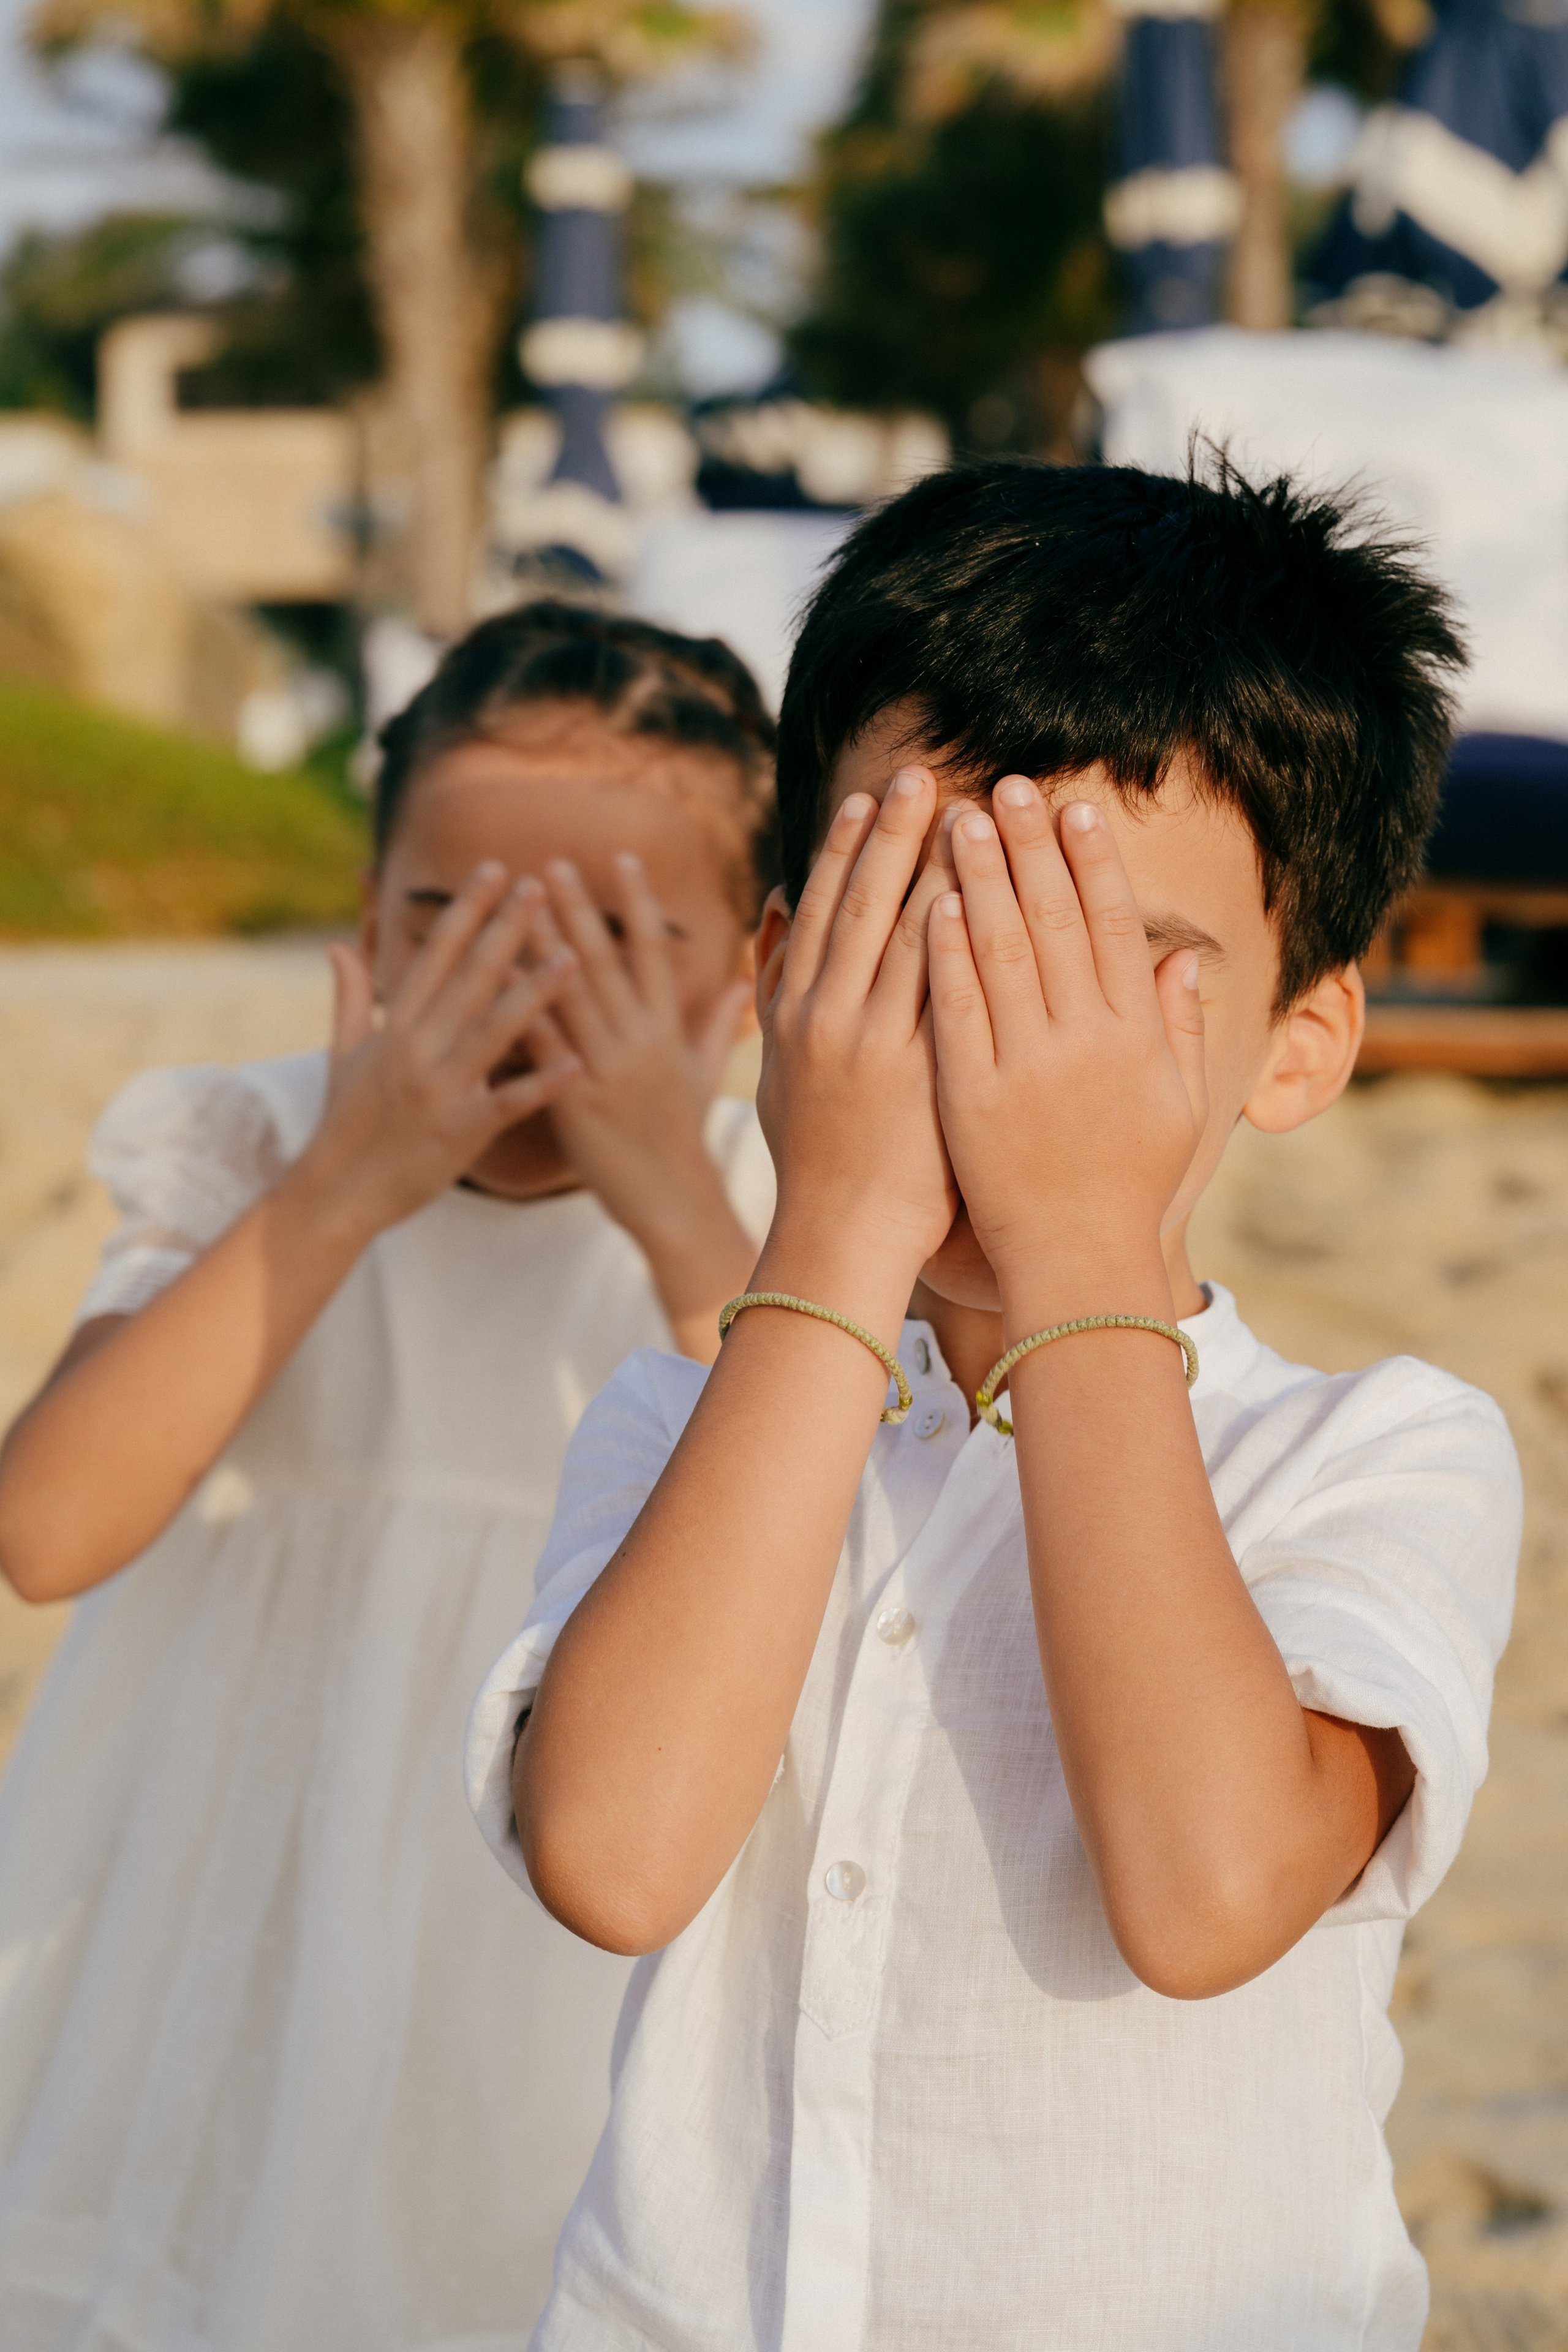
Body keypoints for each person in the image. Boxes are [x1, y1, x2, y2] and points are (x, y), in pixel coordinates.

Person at [467, 464, 1523, 2351]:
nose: (997, 1037)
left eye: (1104, 973)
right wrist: (847, 1219)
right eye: (923, 940)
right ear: (788, 978)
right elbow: (614, 1864)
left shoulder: (1382, 1450)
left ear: (1301, 1044)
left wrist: (1079, 1249)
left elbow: (1203, 1898)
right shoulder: (682, 1419)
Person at [0, 603, 777, 2350]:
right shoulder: (266, 1149)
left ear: (750, 981)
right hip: (245, 1909)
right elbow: (47, 1529)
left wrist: (673, 1206)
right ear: (364, 933)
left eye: (611, 941)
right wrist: (347, 1186)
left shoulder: (769, 1220)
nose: (524, 989)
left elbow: (836, 1520)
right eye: (456, 921)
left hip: (572, 1933)